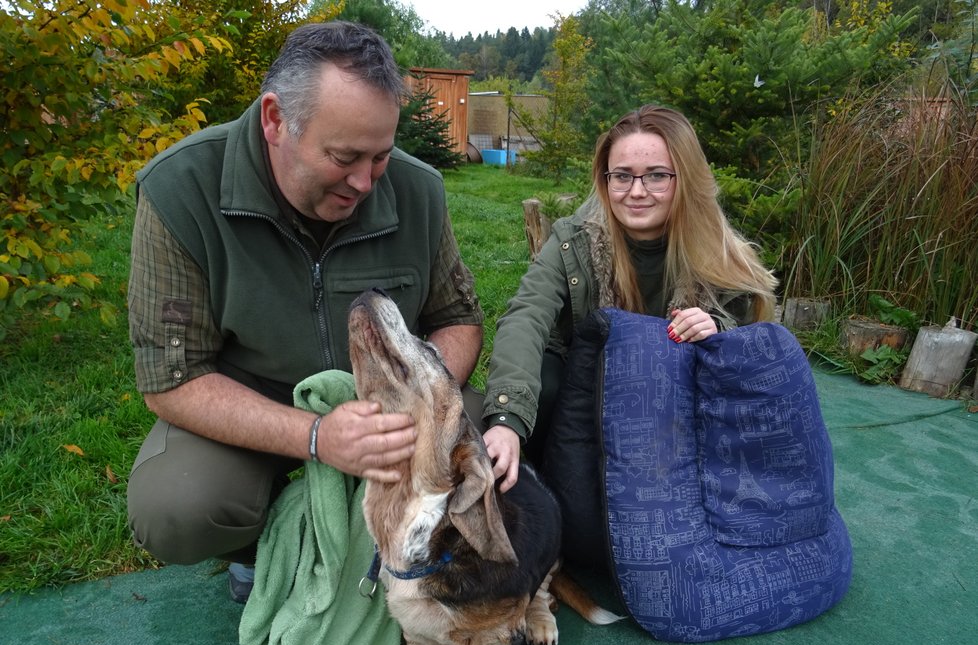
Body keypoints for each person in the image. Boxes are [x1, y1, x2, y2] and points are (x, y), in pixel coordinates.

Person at [126, 21, 483, 601]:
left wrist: (417, 401)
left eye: (381, 157)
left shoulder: (420, 190)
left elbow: (458, 317)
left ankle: (399, 551)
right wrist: (318, 436)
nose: (365, 182)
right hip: (256, 402)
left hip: (394, 401)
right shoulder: (180, 189)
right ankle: (263, 550)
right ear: (275, 120)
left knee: (495, 457)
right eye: (344, 156)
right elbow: (173, 378)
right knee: (178, 505)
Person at [482, 104, 778, 491]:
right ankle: (532, 492)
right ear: (605, 179)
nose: (636, 192)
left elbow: (759, 348)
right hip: (584, 389)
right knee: (545, 379)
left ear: (684, 177)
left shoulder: (719, 251)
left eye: (656, 176)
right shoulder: (575, 240)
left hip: (674, 403)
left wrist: (717, 330)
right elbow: (526, 315)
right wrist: (506, 420)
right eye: (622, 176)